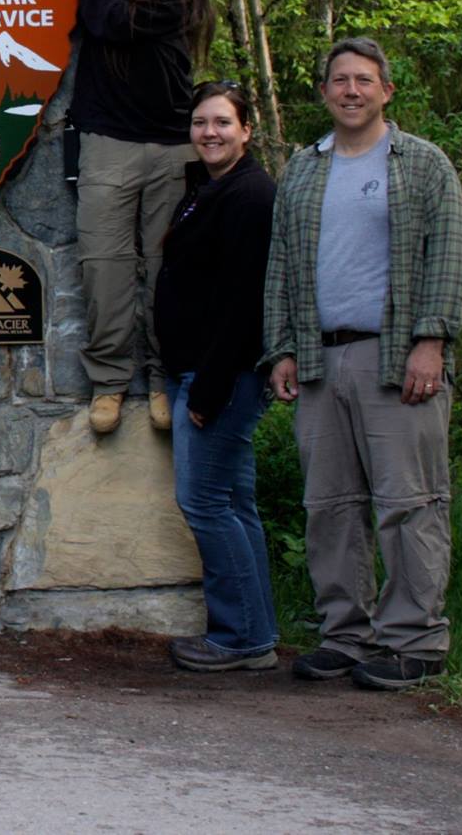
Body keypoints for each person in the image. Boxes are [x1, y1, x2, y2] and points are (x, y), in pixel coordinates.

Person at [0, 0, 214, 435]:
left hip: (172, 143)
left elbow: (113, 21)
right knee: (102, 265)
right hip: (105, 139)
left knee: (169, 269)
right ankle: (109, 382)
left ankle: (163, 378)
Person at [265, 38, 462, 691]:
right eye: (339, 80)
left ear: (386, 90)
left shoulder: (422, 163)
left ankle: (415, 639)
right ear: (323, 92)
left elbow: (449, 256)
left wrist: (431, 339)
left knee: (408, 502)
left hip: (396, 354)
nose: (351, 90)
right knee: (330, 503)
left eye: (364, 79)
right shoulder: (303, 169)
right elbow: (280, 268)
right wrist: (283, 347)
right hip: (321, 355)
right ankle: (346, 633)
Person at [152, 81, 279, 672]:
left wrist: (209, 385)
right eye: (201, 122)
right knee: (233, 501)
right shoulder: (209, 188)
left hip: (220, 374)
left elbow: (243, 301)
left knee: (201, 501)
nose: (210, 133)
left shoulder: (250, 196)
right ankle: (255, 635)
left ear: (246, 129)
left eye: (223, 123)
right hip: (198, 368)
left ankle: (238, 635)